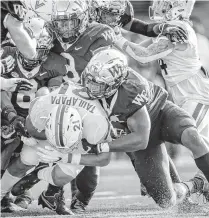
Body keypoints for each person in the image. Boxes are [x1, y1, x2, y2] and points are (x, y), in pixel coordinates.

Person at [28, 48, 209, 209]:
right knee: (166, 200)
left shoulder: (130, 90)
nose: (91, 88)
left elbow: (142, 137)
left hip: (158, 116)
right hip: (132, 140)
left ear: (116, 83)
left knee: (192, 137)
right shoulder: (84, 89)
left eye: (99, 84)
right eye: (90, 81)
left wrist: (103, 147)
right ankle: (196, 185)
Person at [0, 81, 111, 215]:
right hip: (48, 131)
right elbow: (31, 126)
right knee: (27, 159)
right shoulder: (43, 107)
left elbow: (103, 159)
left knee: (63, 176)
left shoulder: (96, 124)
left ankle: (40, 172)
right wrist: (28, 136)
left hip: (78, 143)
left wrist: (67, 157)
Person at [0, 17, 68, 212]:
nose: (33, 56)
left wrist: (35, 122)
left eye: (40, 51)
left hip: (32, 120)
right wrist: (11, 115)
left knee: (53, 143)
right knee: (9, 140)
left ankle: (30, 191)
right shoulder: (6, 54)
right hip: (5, 112)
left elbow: (52, 97)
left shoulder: (55, 64)